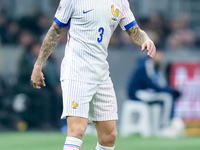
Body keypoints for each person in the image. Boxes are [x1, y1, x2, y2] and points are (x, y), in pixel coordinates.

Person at [31, 0, 156, 150]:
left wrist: (146, 39)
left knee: (109, 136)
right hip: (76, 70)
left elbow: (134, 31)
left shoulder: (120, 2)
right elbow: (55, 30)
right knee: (77, 130)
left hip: (101, 72)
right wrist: (39, 65)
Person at [128, 47, 180, 133]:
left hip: (148, 93)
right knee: (167, 98)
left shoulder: (157, 68)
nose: (161, 58)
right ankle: (164, 126)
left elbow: (160, 84)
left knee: (167, 96)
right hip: (138, 93)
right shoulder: (146, 65)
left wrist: (170, 91)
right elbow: (152, 84)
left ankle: (163, 124)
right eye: (159, 55)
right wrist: (170, 91)